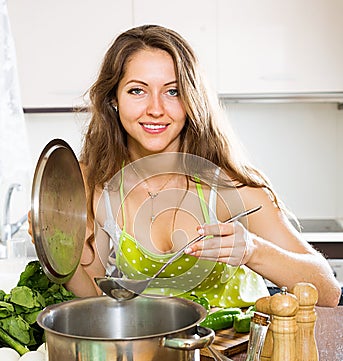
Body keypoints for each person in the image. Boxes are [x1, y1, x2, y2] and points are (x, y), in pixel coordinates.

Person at [33, 24, 341, 307]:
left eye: (173, 91)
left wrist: (252, 251)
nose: (156, 109)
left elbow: (327, 290)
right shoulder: (96, 184)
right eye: (137, 91)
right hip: (158, 359)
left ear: (191, 99)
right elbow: (95, 296)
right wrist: (58, 251)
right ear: (113, 99)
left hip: (243, 358)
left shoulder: (230, 187)